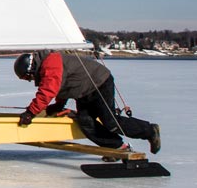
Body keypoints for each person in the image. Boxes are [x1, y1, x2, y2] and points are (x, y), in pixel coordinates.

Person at [14, 51, 160, 154]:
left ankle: (149, 130)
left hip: (99, 83)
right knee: (85, 122)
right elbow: (62, 86)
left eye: (28, 77)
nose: (30, 80)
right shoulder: (48, 65)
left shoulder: (50, 63)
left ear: (31, 68)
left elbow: (48, 90)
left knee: (110, 121)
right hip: (84, 91)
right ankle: (117, 147)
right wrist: (59, 105)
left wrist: (30, 113)